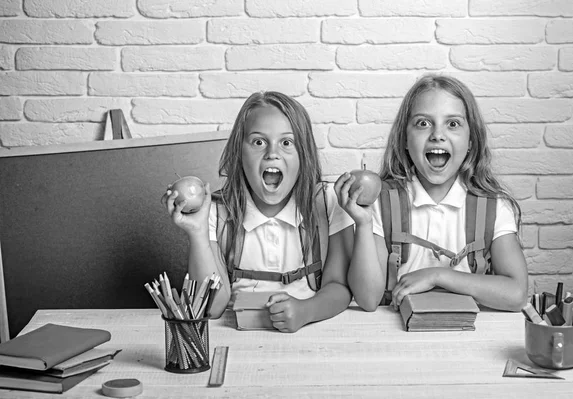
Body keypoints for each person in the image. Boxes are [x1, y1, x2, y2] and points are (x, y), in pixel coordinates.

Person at [162, 91, 354, 332]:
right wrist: (197, 232)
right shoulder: (216, 212)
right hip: (234, 336)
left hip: (312, 332)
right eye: (258, 142)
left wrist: (306, 311)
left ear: (303, 155)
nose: (272, 153)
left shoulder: (326, 202)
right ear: (238, 153)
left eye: (286, 143)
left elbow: (339, 287)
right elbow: (212, 308)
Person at [335, 74, 528, 312]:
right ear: (404, 139)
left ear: (470, 141)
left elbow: (517, 294)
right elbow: (368, 299)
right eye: (423, 123)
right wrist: (363, 224)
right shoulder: (381, 203)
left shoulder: (494, 207)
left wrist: (438, 276)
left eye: (453, 124)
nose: (437, 134)